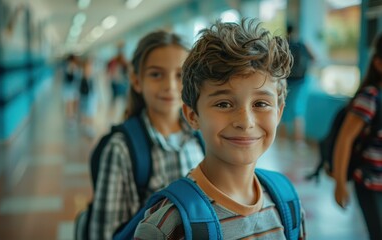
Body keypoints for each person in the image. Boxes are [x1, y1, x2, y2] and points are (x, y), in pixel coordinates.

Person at [134, 19, 306, 239]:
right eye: (223, 104)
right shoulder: (169, 225)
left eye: (261, 104)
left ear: (279, 112)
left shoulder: (287, 203)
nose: (245, 122)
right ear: (192, 115)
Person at [89, 30, 205, 240]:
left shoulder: (201, 138)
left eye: (180, 75)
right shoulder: (121, 148)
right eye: (156, 74)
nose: (170, 86)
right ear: (135, 80)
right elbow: (104, 233)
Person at [333, 33, 382, 240]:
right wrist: (340, 183)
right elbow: (345, 139)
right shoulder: (370, 97)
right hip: (370, 184)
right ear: (379, 64)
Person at [279, 24, 314, 144]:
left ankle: (282, 139)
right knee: (298, 110)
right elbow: (314, 58)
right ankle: (299, 141)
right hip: (301, 81)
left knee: (282, 108)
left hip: (286, 80)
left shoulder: (284, 44)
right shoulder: (302, 44)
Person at [78, 57, 97, 138]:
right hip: (85, 97)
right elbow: (81, 90)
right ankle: (87, 127)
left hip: (91, 97)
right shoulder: (83, 79)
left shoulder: (91, 78)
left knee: (91, 112)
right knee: (86, 112)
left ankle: (90, 128)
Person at [63, 54, 80, 120]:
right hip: (69, 88)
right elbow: (68, 78)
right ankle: (70, 117)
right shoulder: (68, 66)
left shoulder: (76, 67)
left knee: (74, 102)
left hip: (74, 88)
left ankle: (73, 115)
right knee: (69, 103)